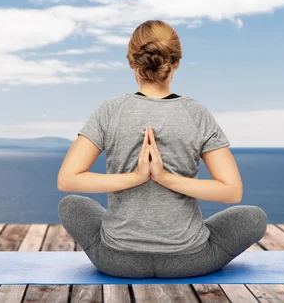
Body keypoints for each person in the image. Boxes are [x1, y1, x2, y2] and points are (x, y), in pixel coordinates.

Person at [57, 20, 268, 278]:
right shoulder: (196, 113)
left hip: (117, 261)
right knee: (254, 217)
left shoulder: (110, 110)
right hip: (190, 261)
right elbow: (232, 192)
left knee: (71, 204)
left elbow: (67, 180)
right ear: (176, 62)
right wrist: (165, 178)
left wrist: (134, 178)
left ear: (131, 61)